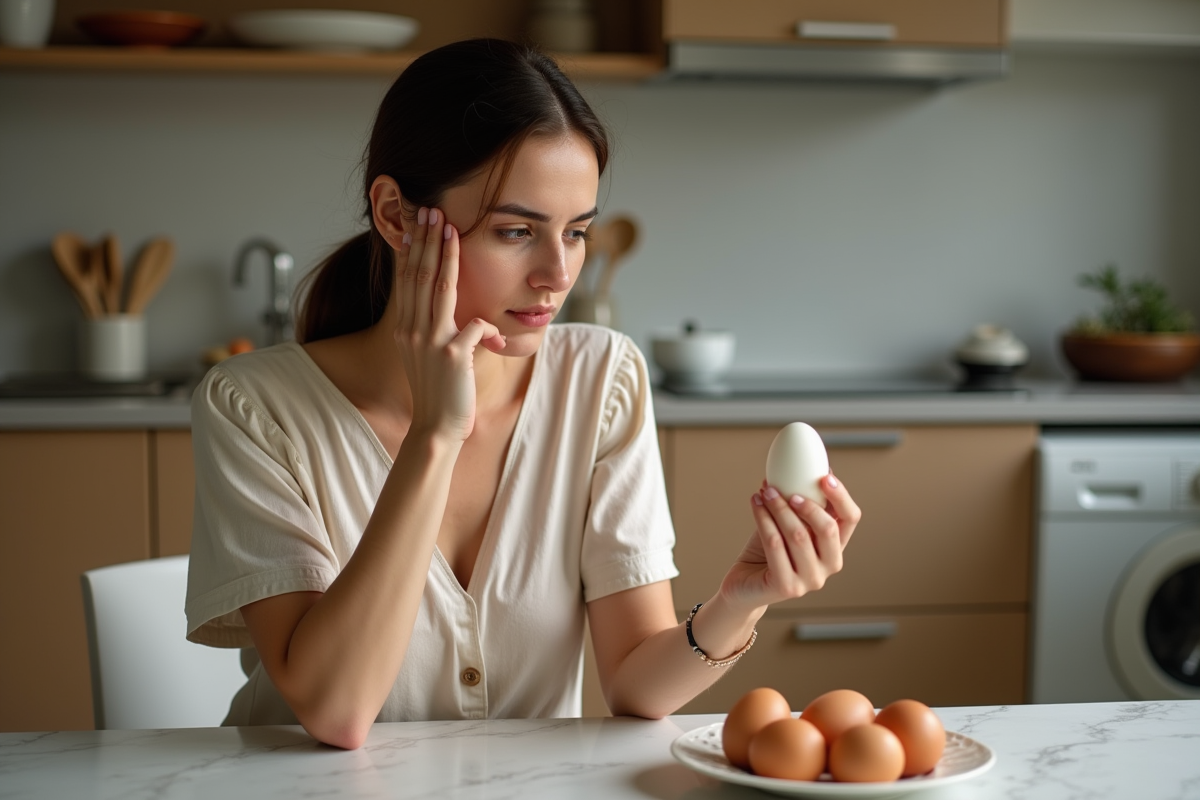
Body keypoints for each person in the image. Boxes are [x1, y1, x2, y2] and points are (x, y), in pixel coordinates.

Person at [184, 38, 861, 750]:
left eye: (576, 233)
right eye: (515, 232)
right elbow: (337, 712)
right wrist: (434, 436)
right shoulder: (252, 407)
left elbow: (634, 683)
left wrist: (740, 600)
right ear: (394, 216)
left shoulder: (602, 380)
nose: (556, 273)